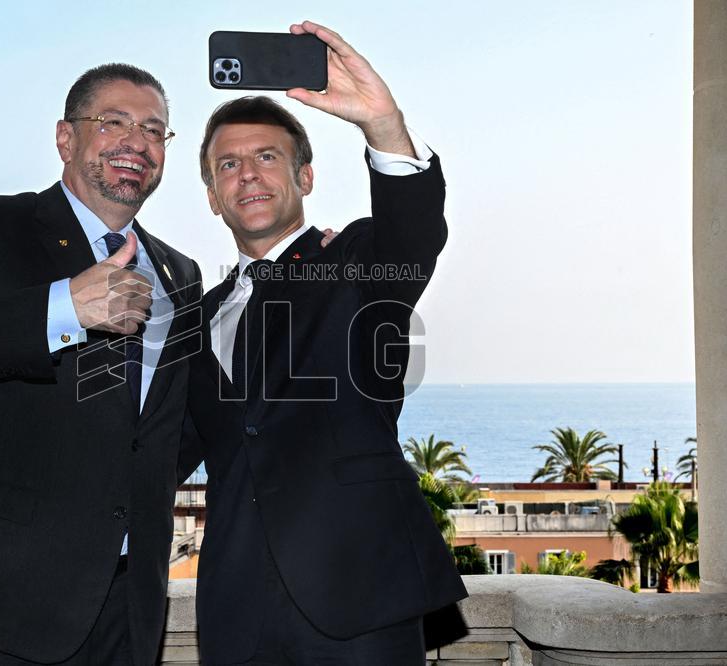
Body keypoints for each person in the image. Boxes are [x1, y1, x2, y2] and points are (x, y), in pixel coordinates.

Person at [0, 64, 203, 665]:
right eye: (114, 122)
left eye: (155, 130)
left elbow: (168, 428)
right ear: (65, 138)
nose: (137, 142)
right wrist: (66, 306)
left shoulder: (180, 273)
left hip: (129, 605)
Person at [178, 21, 468, 665]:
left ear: (305, 177)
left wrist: (383, 125)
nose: (247, 175)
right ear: (212, 197)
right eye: (228, 165)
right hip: (236, 619)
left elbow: (414, 227)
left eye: (267, 157)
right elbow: (163, 451)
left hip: (361, 606)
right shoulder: (194, 319)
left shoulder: (357, 263)